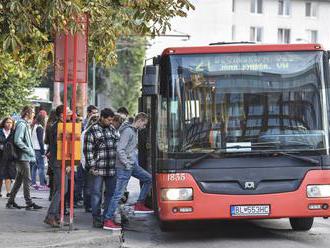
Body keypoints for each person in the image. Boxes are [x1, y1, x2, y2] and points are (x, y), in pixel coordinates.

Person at [103, 112, 153, 231]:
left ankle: (139, 204)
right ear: (139, 121)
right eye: (144, 124)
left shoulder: (134, 131)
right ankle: (107, 220)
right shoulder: (128, 132)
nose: (144, 127)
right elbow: (120, 149)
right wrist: (126, 163)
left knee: (148, 179)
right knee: (118, 194)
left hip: (131, 165)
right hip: (124, 167)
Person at [83, 108, 119, 228]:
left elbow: (117, 143)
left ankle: (106, 217)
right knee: (96, 194)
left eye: (112, 120)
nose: (110, 122)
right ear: (102, 118)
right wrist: (92, 166)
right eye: (109, 120)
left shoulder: (112, 129)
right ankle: (96, 218)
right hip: (97, 168)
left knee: (111, 193)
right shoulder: (92, 130)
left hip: (111, 168)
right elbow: (87, 150)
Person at [6, 106, 42, 210]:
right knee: (28, 180)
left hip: (24, 156)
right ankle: (29, 203)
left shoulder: (24, 124)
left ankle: (10, 201)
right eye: (33, 112)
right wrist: (29, 150)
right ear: (27, 113)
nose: (34, 114)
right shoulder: (22, 124)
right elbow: (18, 140)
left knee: (19, 181)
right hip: (23, 157)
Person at [44, 105, 72, 227]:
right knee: (62, 189)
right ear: (62, 115)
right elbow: (61, 147)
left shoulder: (57, 125)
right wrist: (66, 163)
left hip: (57, 161)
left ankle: (54, 216)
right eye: (68, 111)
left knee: (59, 189)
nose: (71, 113)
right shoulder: (59, 127)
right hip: (59, 162)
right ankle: (51, 215)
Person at [0, 117, 16, 198]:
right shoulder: (0, 131)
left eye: (11, 123)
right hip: (1, 155)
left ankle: (8, 192)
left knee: (8, 175)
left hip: (10, 156)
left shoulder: (13, 132)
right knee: (0, 175)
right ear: (4, 123)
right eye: (7, 122)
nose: (9, 124)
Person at [31, 114, 47, 190]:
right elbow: (40, 141)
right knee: (41, 167)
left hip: (34, 148)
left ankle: (33, 183)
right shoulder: (40, 128)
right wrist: (43, 152)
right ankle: (42, 184)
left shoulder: (35, 127)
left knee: (34, 167)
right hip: (39, 149)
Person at [45, 109, 57, 201]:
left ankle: (51, 194)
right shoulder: (56, 126)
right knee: (54, 175)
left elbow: (46, 140)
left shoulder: (48, 125)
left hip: (50, 150)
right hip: (54, 150)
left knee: (51, 174)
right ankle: (53, 195)